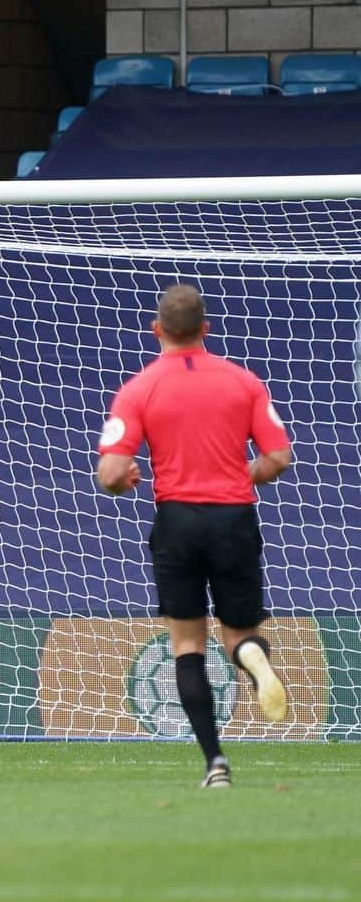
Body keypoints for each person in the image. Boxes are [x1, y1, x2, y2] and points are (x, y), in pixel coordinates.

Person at [96, 284, 292, 788]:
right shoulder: (243, 382)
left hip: (177, 520)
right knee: (241, 634)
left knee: (186, 645)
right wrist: (239, 473)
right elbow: (278, 458)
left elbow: (111, 472)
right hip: (233, 518)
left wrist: (127, 478)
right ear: (206, 329)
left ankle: (215, 764)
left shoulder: (139, 388)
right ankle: (251, 657)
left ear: (157, 330)